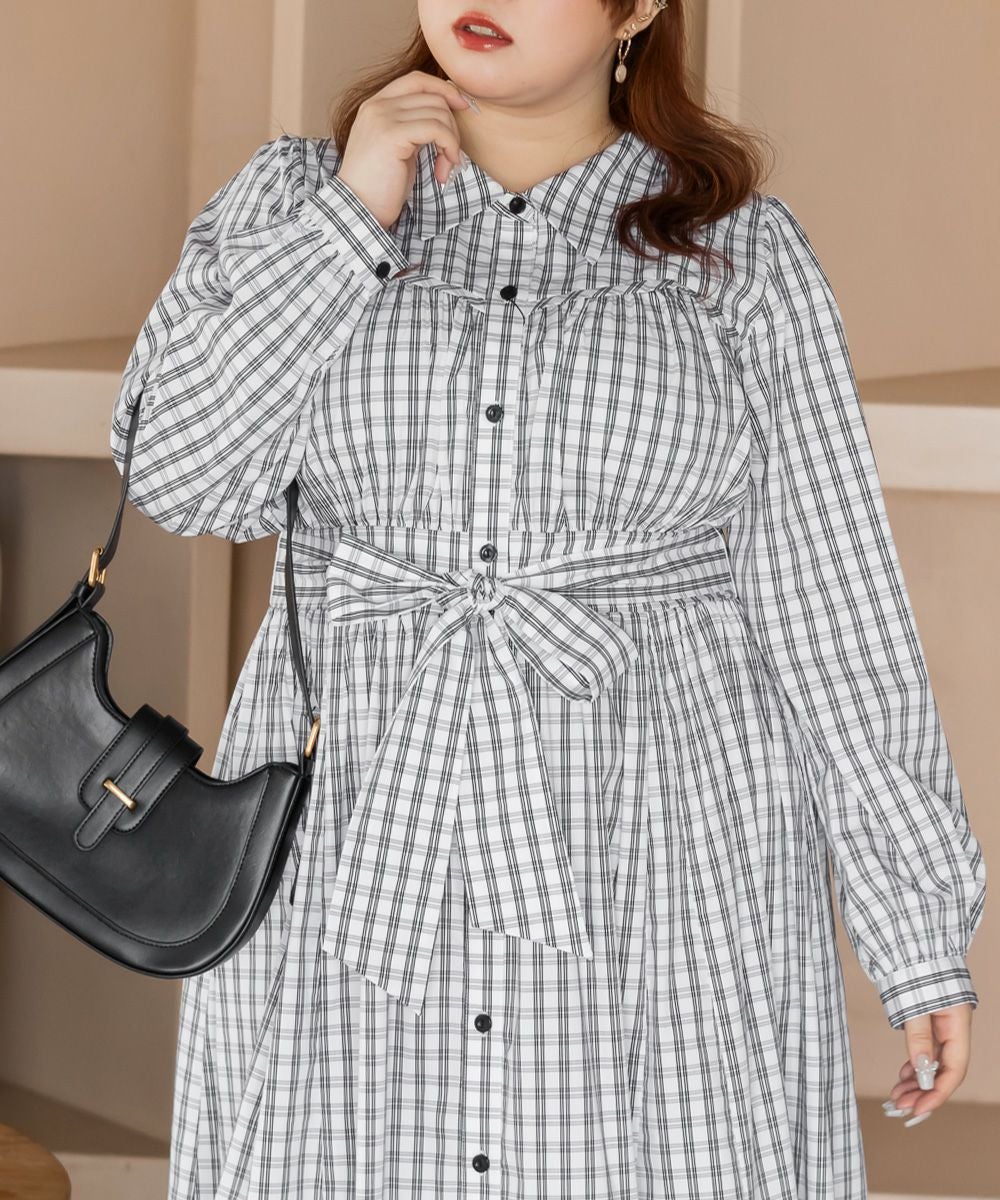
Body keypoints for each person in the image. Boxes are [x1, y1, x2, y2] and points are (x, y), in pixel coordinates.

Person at [109, 1, 986, 1196]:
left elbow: (832, 605)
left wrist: (916, 935)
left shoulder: (738, 253)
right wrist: (351, 216)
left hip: (662, 839)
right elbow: (183, 477)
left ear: (636, 8)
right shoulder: (294, 199)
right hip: (354, 821)